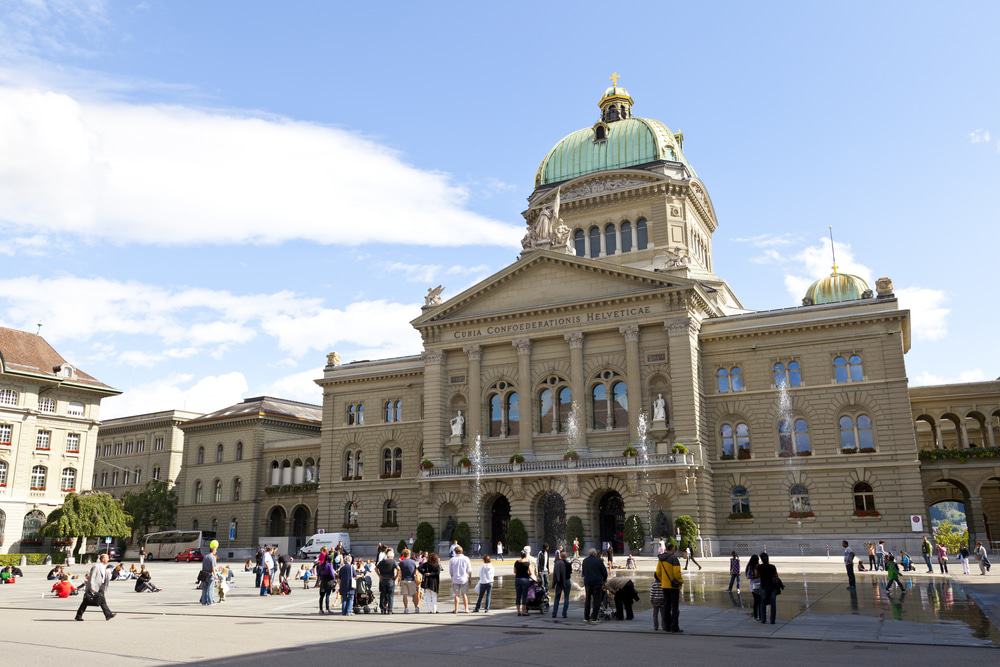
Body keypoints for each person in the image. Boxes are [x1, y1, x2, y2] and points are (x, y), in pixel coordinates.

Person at [75, 553, 115, 621]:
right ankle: (78, 615)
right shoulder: (96, 566)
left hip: (101, 586)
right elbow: (92, 577)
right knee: (86, 601)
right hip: (95, 586)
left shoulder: (104, 567)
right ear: (103, 559)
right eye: (107, 558)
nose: (108, 559)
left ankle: (108, 614)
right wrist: (92, 587)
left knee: (102, 601)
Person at [654, 543, 683, 633]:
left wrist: (663, 580)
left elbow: (658, 572)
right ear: (673, 549)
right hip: (674, 587)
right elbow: (676, 573)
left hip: (665, 586)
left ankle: (667, 626)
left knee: (666, 606)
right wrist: (680, 581)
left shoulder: (661, 559)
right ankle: (674, 627)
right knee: (675, 608)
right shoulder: (674, 559)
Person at [581, 548, 608, 624]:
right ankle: (594, 618)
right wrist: (604, 580)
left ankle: (586, 617)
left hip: (588, 583)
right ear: (595, 553)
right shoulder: (599, 561)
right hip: (597, 583)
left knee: (588, 600)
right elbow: (604, 572)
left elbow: (583, 573)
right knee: (596, 600)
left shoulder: (585, 560)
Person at [757, 552, 782, 624]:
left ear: (761, 559)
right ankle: (772, 620)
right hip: (772, 588)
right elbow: (776, 575)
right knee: (773, 604)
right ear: (768, 558)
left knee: (763, 603)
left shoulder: (759, 567)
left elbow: (757, 575)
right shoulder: (772, 566)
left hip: (764, 587)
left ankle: (763, 619)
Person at [449, 545, 472, 613]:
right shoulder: (466, 558)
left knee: (456, 595)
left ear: (455, 552)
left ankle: (456, 609)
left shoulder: (452, 559)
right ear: (462, 551)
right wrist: (470, 578)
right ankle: (466, 609)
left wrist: (452, 577)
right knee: (464, 594)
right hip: (464, 579)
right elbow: (469, 570)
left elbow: (451, 571)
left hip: (455, 579)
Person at [376, 548, 399, 614]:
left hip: (383, 580)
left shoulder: (382, 561)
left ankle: (383, 609)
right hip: (390, 580)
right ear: (392, 556)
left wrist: (379, 575)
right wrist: (396, 576)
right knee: (390, 596)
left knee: (383, 595)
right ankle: (390, 610)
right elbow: (399, 569)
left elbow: (375, 568)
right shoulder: (393, 561)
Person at [513, 550, 535, 616]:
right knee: (524, 596)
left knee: (518, 595)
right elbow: (530, 572)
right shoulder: (527, 563)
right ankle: (524, 611)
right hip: (525, 580)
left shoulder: (516, 562)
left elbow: (514, 571)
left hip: (517, 579)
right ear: (525, 556)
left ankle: (518, 612)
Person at [551, 550, 571, 619]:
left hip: (559, 582)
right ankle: (564, 614)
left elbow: (554, 575)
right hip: (567, 581)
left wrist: (553, 584)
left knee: (557, 598)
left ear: (561, 557)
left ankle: (554, 613)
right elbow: (570, 572)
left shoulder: (557, 563)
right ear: (566, 557)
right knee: (566, 598)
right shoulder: (568, 564)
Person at [398, 549, 419, 613]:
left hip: (404, 580)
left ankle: (406, 608)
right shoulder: (413, 562)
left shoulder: (401, 563)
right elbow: (416, 572)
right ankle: (416, 608)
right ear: (409, 554)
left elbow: (399, 572)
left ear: (403, 555)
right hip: (411, 580)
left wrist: (398, 580)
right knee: (414, 594)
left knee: (405, 595)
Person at [745, 554, 762, 620]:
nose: (758, 560)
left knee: (759, 601)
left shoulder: (759, 566)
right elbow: (748, 576)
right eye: (757, 559)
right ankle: (756, 615)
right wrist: (755, 576)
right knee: (757, 600)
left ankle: (759, 615)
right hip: (754, 585)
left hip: (759, 584)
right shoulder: (750, 567)